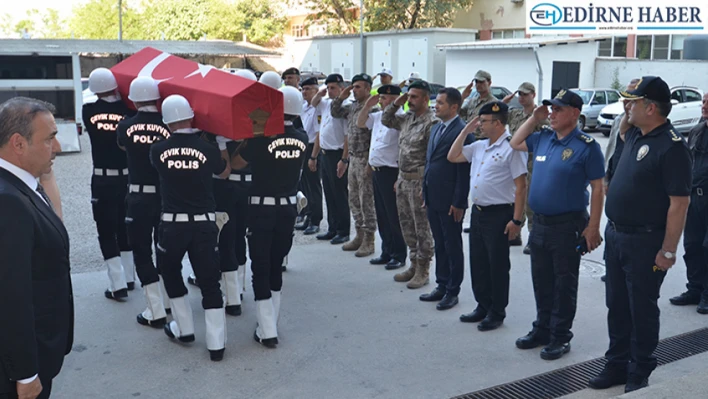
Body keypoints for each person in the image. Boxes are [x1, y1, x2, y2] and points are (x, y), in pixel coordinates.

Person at [590, 76, 692, 393]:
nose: (626, 107)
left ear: (650, 107)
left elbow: (679, 204)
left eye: (633, 102)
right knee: (617, 304)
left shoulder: (672, 147)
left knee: (641, 307)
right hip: (618, 236)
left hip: (647, 242)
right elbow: (620, 143)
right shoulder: (634, 134)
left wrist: (668, 251)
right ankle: (617, 363)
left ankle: (640, 368)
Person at [509, 89, 605, 360]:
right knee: (541, 279)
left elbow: (598, 189)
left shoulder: (587, 146)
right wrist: (534, 119)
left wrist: (593, 227)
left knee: (564, 283)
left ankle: (560, 336)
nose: (552, 113)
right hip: (539, 224)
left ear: (575, 113)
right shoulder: (543, 139)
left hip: (567, 225)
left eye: (558, 109)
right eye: (550, 108)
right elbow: (515, 142)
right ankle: (542, 328)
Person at [0, 97, 73, 399]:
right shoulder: (9, 201)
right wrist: (26, 373)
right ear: (18, 144)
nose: (57, 148)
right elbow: (11, 295)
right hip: (23, 368)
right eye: (49, 139)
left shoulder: (24, 184)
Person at [150, 95, 231, 361]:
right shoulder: (206, 148)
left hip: (173, 225)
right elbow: (224, 172)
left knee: (170, 271)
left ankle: (184, 329)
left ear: (166, 121)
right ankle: (216, 344)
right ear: (191, 115)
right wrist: (220, 144)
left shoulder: (157, 150)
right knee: (209, 281)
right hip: (204, 224)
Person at [230, 86, 308, 349]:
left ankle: (267, 329)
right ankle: (270, 322)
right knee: (276, 265)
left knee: (260, 267)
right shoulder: (302, 136)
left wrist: (249, 135)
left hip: (261, 209)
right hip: (288, 209)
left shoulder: (261, 138)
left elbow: (237, 163)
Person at [449, 101, 528, 330]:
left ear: (498, 123)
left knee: (497, 265)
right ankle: (482, 305)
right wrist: (465, 131)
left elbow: (521, 186)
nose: (479, 125)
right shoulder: (480, 146)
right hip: (479, 212)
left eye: (483, 121)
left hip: (500, 214)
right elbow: (453, 156)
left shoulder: (511, 148)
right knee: (479, 262)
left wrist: (516, 220)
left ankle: (497, 311)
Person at [116, 76, 173, 327]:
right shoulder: (169, 124)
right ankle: (170, 299)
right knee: (164, 250)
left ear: (134, 99)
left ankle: (155, 309)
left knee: (141, 251)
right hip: (165, 196)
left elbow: (123, 148)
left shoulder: (125, 126)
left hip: (138, 196)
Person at [82, 67, 136, 300]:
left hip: (102, 178)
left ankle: (117, 284)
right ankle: (131, 277)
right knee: (125, 227)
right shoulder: (128, 111)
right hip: (127, 177)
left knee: (106, 230)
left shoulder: (88, 110)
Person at [381, 80, 437, 289]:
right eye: (409, 96)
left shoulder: (431, 123)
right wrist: (397, 102)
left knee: (422, 228)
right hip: (403, 179)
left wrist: (427, 185)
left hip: (419, 181)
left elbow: (433, 158)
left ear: (425, 99)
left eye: (414, 97)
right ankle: (413, 263)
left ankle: (423, 269)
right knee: (406, 225)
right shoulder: (407, 119)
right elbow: (386, 119)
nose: (410, 100)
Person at [418, 88, 470, 308]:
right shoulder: (437, 128)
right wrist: (425, 189)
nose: (435, 106)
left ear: (454, 107)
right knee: (439, 243)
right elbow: (430, 163)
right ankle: (441, 284)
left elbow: (463, 172)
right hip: (433, 196)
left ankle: (452, 290)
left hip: (450, 201)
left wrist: (459, 202)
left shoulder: (463, 132)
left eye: (440, 103)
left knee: (452, 245)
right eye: (435, 102)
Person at [356, 84, 407, 270]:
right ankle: (387, 250)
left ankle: (399, 254)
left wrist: (399, 177)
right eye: (381, 98)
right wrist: (367, 105)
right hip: (377, 171)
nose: (382, 101)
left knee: (394, 216)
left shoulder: (400, 119)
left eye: (385, 98)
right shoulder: (378, 117)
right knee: (382, 214)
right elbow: (360, 123)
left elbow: (403, 150)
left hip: (391, 171)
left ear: (395, 99)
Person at [331, 73, 378, 257]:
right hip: (353, 158)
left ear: (368, 89)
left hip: (365, 158)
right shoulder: (352, 107)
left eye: (358, 87)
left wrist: (371, 162)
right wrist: (342, 95)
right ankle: (359, 234)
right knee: (354, 199)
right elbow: (334, 112)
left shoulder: (373, 110)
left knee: (366, 200)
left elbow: (376, 137)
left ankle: (369, 240)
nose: (355, 90)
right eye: (354, 87)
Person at [669, 92, 708, 313]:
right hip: (695, 197)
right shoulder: (696, 130)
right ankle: (695, 288)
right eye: (703, 101)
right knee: (692, 245)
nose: (704, 106)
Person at [601, 78, 640, 282]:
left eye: (631, 97)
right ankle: (611, 266)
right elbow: (611, 152)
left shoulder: (641, 125)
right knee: (612, 224)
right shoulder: (619, 121)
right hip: (615, 179)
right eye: (625, 97)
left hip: (633, 187)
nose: (627, 102)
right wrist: (606, 179)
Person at [504, 82, 548, 251]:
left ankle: (533, 237)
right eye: (520, 94)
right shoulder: (515, 114)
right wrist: (504, 101)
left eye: (525, 94)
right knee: (515, 199)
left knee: (530, 203)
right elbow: (496, 113)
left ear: (533, 95)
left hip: (531, 163)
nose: (522, 97)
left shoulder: (541, 117)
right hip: (515, 162)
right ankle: (516, 234)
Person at [310, 74, 351, 245]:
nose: (330, 91)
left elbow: (348, 136)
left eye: (333, 88)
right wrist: (320, 94)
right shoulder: (326, 103)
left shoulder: (345, 107)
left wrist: (344, 159)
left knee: (339, 194)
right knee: (329, 193)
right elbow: (313, 104)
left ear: (342, 89)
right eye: (328, 87)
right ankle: (332, 228)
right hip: (325, 154)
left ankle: (343, 230)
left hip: (337, 154)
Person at [299, 76, 324, 235]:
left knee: (314, 186)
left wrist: (313, 156)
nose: (305, 92)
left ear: (316, 91)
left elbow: (318, 134)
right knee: (305, 185)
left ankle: (316, 219)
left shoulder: (318, 108)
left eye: (308, 89)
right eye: (303, 89)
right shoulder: (304, 107)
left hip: (313, 148)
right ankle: (308, 215)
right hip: (303, 147)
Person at [460, 70, 497, 136]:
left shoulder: (493, 103)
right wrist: (462, 97)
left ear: (489, 83)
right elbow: (459, 113)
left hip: (483, 139)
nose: (478, 85)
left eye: (481, 82)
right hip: (469, 137)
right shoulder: (472, 101)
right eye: (476, 82)